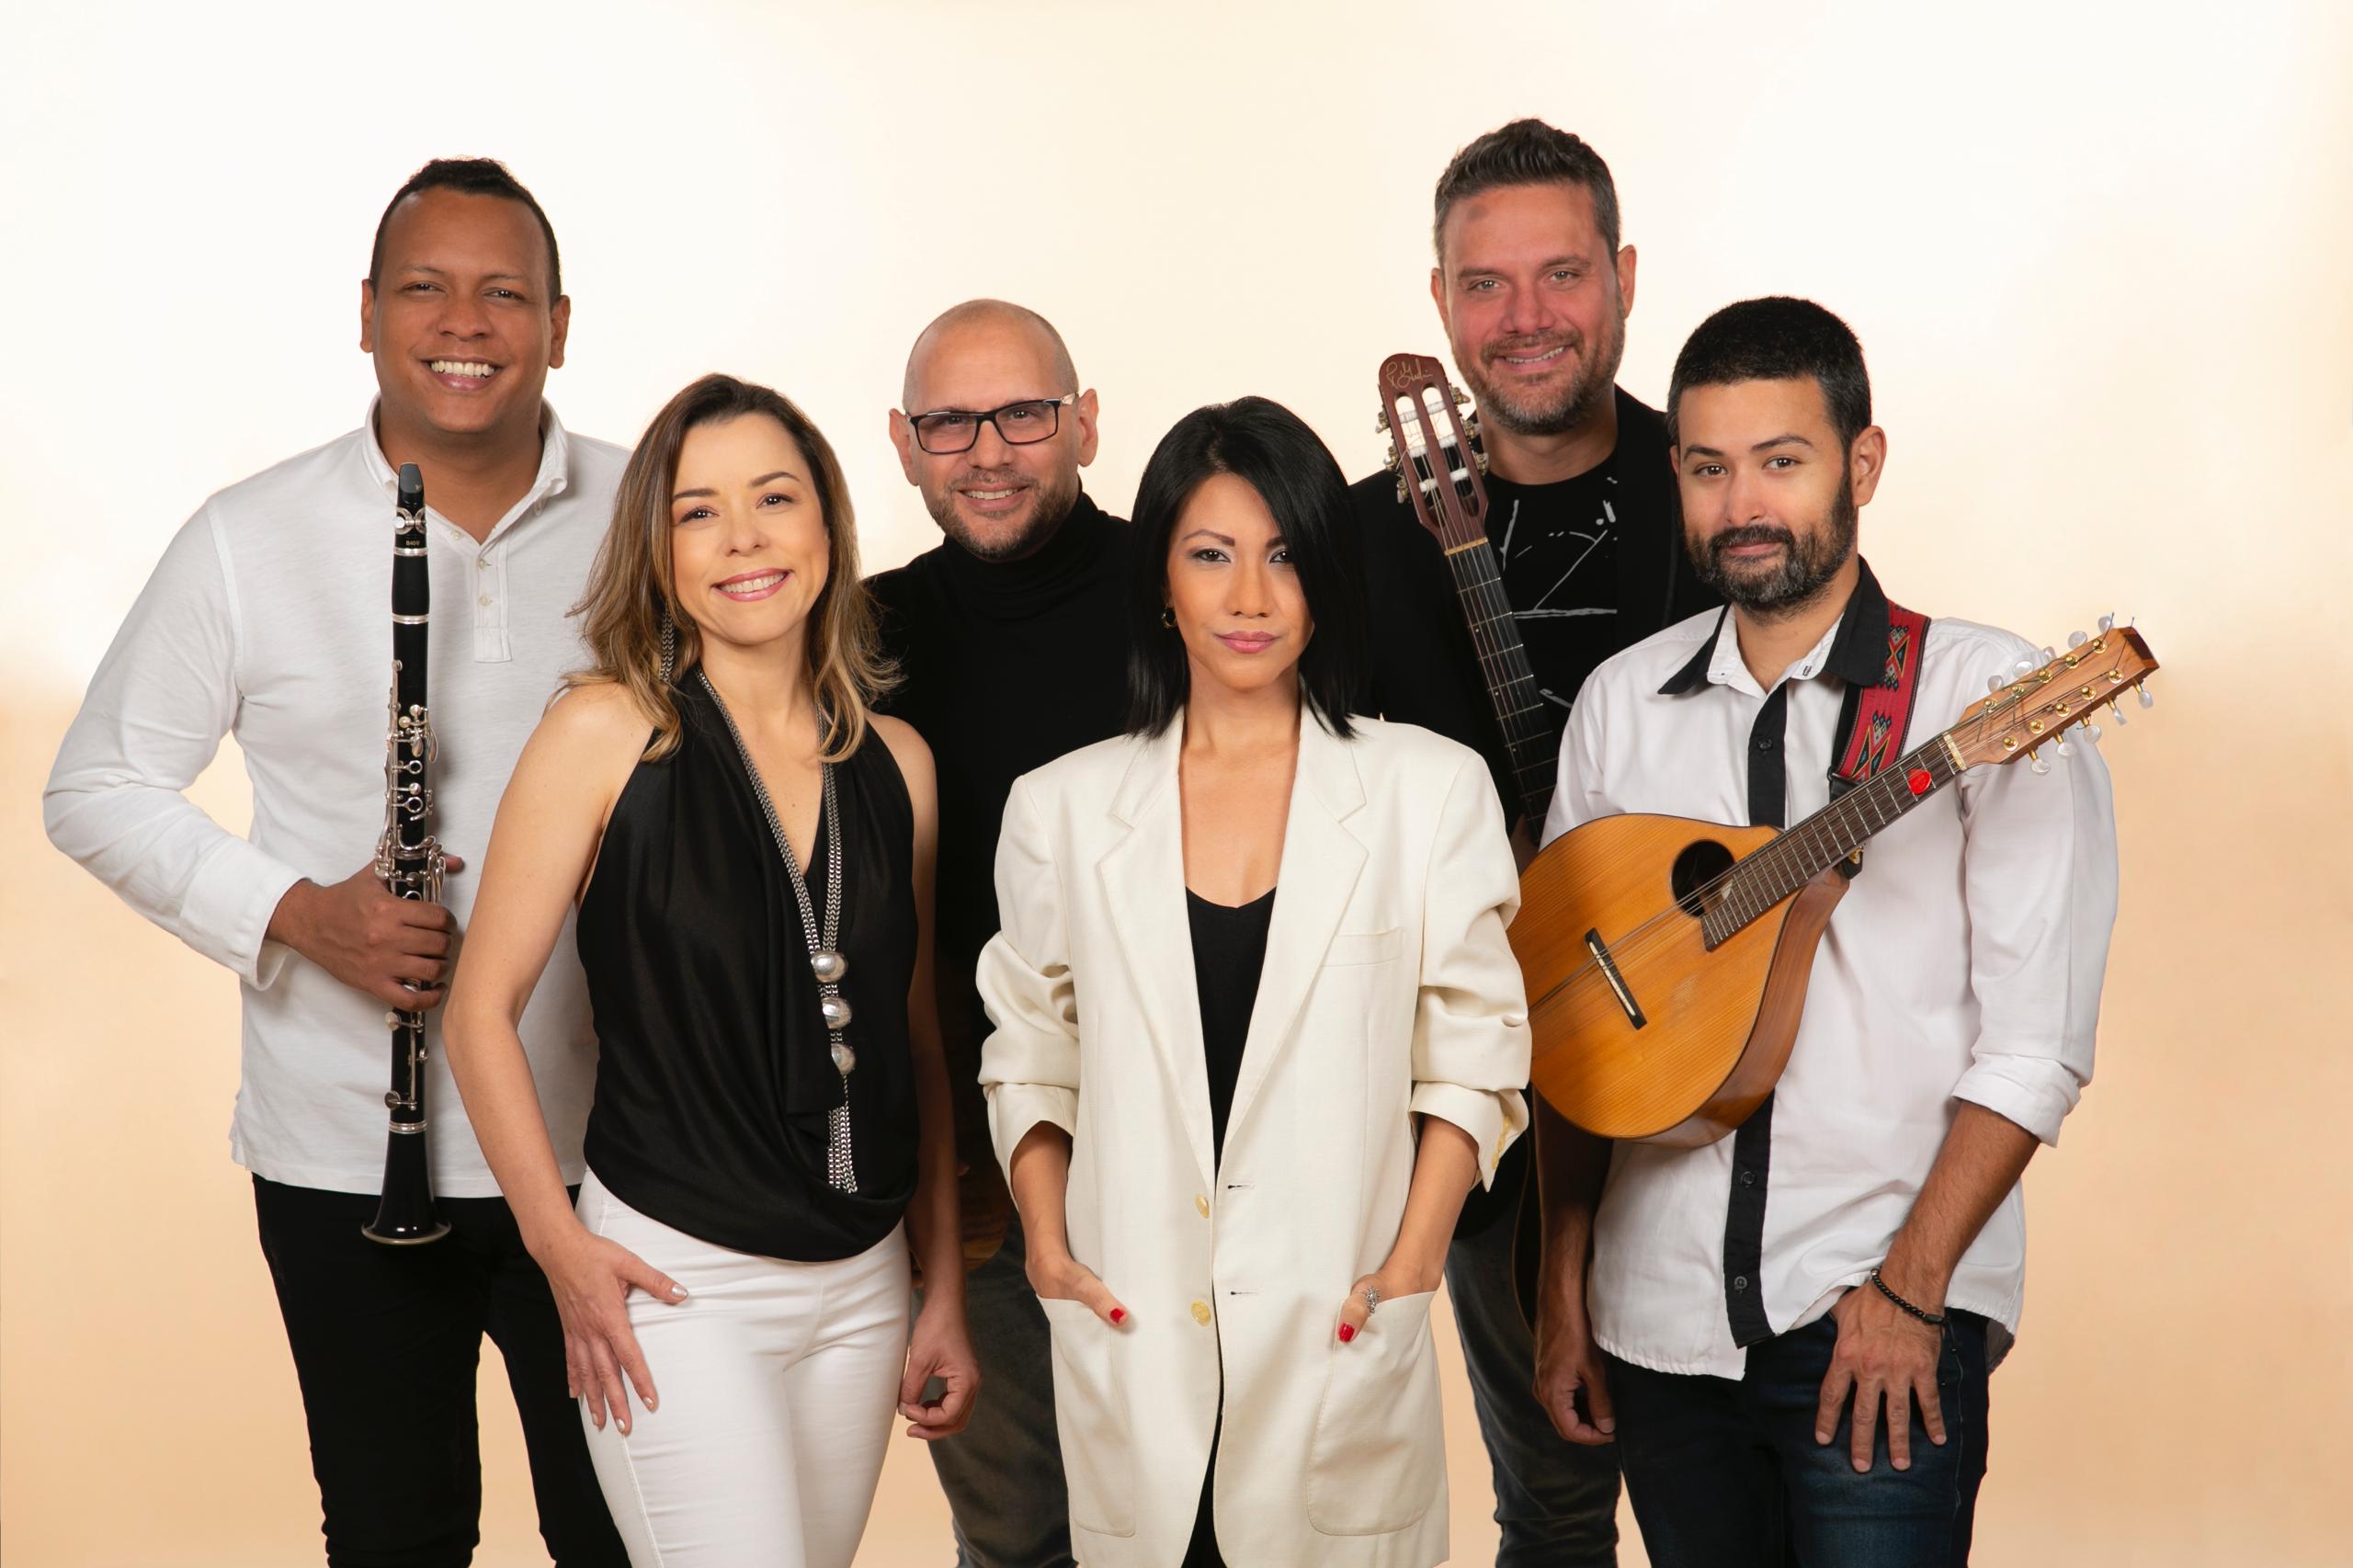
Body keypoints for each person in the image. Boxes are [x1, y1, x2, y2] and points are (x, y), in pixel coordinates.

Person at [43, 157, 628, 1566]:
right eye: (424, 287)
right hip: (342, 1146)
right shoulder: (249, 536)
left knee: (625, 1536)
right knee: (391, 1534)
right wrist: (300, 914)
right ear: (366, 313)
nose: (464, 321)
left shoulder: (657, 509)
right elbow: (96, 785)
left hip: (618, 1147)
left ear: (560, 323)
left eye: (504, 293)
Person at [1534, 297, 2118, 1566]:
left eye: (1781, 461)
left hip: (1874, 1320)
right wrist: (1562, 1287)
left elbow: (2036, 1047)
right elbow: (1570, 1029)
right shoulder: (1621, 705)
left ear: (1862, 464)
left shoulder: (1982, 696)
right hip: (1658, 1323)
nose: (1742, 503)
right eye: (1708, 467)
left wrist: (1910, 1289)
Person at [980, 396, 1532, 1567]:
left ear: (1325, 575)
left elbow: (1477, 1054)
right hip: (1132, 1333)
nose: (1249, 597)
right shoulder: (1059, 806)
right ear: (1159, 581)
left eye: (1283, 555)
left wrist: (1413, 1261)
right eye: (1210, 555)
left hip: (1339, 1335)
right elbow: (1028, 1050)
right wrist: (1046, 1243)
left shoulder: (1429, 790)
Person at [439, 374, 978, 1567]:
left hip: (864, 1284)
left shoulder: (901, 761)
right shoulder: (602, 730)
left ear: (827, 524)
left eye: (774, 498)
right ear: (658, 546)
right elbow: (479, 1012)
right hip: (678, 1277)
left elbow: (914, 1043)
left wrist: (939, 1284)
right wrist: (558, 1247)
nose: (743, 538)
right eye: (698, 511)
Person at [1347, 117, 1719, 1566]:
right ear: (1440, 303)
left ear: (1623, 275)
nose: (1526, 316)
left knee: (1727, 1498)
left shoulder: (1720, 488)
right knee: (1557, 1503)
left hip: (1720, 1063)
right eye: (1486, 284)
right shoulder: (1369, 541)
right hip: (1495, 1092)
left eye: (1561, 273)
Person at [869, 298, 1131, 1568]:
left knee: (1203, 1516)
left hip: (1174, 1141)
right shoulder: (853, 635)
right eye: (949, 422)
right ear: (903, 444)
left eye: (1023, 413)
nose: (987, 451)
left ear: (1085, 423)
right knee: (1018, 1533)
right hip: (961, 1166)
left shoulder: (1189, 591)